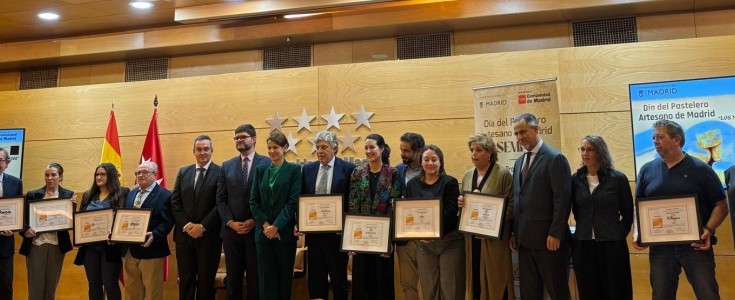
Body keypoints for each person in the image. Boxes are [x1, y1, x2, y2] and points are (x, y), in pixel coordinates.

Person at [632, 119, 728, 299]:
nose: (655, 141)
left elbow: (721, 205)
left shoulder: (702, 169)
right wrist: (638, 231)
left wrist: (708, 229)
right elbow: (638, 207)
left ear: (677, 140)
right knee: (660, 295)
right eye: (653, 138)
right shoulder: (646, 170)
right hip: (660, 248)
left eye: (660, 137)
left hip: (695, 246)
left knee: (707, 294)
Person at [509, 113, 572, 300]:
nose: (519, 137)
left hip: (549, 242)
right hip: (524, 241)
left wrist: (556, 233)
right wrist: (514, 232)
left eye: (523, 132)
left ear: (536, 129)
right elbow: (517, 199)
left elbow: (562, 199)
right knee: (529, 294)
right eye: (516, 133)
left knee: (557, 292)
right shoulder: (519, 161)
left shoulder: (555, 158)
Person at [571, 135, 633, 300]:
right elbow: (577, 212)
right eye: (582, 149)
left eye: (590, 149)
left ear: (600, 152)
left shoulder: (618, 178)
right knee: (589, 290)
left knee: (615, 290)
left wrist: (617, 234)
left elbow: (628, 214)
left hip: (612, 244)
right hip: (584, 244)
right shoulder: (575, 180)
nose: (585, 153)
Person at [457, 133, 514, 300]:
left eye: (479, 150)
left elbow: (511, 207)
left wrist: (491, 228)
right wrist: (461, 202)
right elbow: (465, 204)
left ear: (489, 152)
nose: (474, 153)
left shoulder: (503, 174)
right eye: (472, 150)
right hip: (472, 238)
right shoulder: (468, 175)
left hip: (493, 240)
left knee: (497, 282)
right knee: (475, 282)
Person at [404, 144, 463, 300]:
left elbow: (450, 214)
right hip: (423, 245)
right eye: (426, 159)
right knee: (428, 289)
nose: (430, 163)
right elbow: (409, 213)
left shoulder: (450, 182)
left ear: (440, 162)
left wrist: (433, 233)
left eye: (434, 159)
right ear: (421, 162)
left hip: (449, 242)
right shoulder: (412, 185)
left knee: (450, 289)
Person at [217, 124, 269, 300]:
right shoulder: (226, 166)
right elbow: (221, 199)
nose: (239, 140)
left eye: (243, 137)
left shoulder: (267, 163)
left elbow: (268, 198)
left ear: (253, 139)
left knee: (256, 279)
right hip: (231, 233)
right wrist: (230, 222)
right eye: (236, 137)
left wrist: (255, 220)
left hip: (257, 231)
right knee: (233, 280)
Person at [301, 131, 355, 300]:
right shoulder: (308, 169)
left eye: (324, 147)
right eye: (317, 148)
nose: (320, 151)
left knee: (339, 282)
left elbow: (352, 203)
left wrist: (347, 227)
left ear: (335, 149)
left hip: (337, 237)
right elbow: (302, 200)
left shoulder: (349, 169)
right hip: (315, 237)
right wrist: (300, 223)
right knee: (316, 283)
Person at [348, 133, 401, 300]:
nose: (368, 151)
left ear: (382, 148)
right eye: (366, 148)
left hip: (382, 240)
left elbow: (395, 208)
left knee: (382, 285)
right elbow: (353, 205)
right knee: (361, 285)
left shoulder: (393, 173)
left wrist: (389, 242)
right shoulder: (357, 172)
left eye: (372, 147)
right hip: (362, 239)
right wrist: (352, 240)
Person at [249, 131, 302, 300]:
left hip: (284, 234)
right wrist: (266, 226)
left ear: (285, 147)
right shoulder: (260, 169)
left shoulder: (294, 170)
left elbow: (292, 202)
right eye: (269, 148)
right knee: (266, 280)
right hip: (263, 235)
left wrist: (276, 226)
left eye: (276, 147)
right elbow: (253, 201)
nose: (272, 151)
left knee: (283, 279)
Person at [171, 135, 223, 300]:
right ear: (193, 152)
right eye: (199, 149)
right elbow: (175, 201)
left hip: (209, 236)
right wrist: (187, 225)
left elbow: (220, 203)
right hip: (184, 237)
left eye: (206, 149)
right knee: (186, 280)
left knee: (206, 282)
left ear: (212, 151)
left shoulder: (221, 172)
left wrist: (202, 226)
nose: (202, 152)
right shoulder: (183, 171)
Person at [74, 163, 129, 300]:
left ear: (110, 175)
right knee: (94, 284)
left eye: (102, 174)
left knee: (110, 283)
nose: (99, 177)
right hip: (90, 247)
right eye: (97, 174)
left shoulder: (123, 193)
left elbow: (124, 218)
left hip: (110, 246)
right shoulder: (88, 195)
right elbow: (82, 218)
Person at [20, 162, 74, 300]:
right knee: (35, 290)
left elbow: (71, 222)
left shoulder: (69, 195)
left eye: (53, 175)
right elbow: (22, 220)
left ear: (60, 177)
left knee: (50, 290)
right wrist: (26, 231)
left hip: (57, 245)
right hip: (36, 245)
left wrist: (72, 208)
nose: (50, 178)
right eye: (47, 175)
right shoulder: (33, 194)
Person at [121, 161, 174, 300]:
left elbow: (168, 222)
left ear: (155, 175)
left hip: (152, 249)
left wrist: (155, 234)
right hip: (130, 251)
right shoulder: (131, 194)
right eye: (138, 172)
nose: (140, 175)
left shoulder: (165, 195)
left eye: (145, 172)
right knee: (131, 291)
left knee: (152, 292)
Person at [394, 132, 423, 300]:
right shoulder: (398, 170)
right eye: (401, 149)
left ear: (418, 151)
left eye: (406, 151)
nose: (402, 154)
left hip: (426, 236)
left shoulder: (431, 168)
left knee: (429, 282)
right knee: (408, 284)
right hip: (404, 236)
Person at [0, 147, 22, 300]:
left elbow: (18, 211)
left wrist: (14, 228)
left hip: (5, 244)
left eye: (0, 160)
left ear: (7, 163)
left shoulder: (16, 183)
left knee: (5, 285)